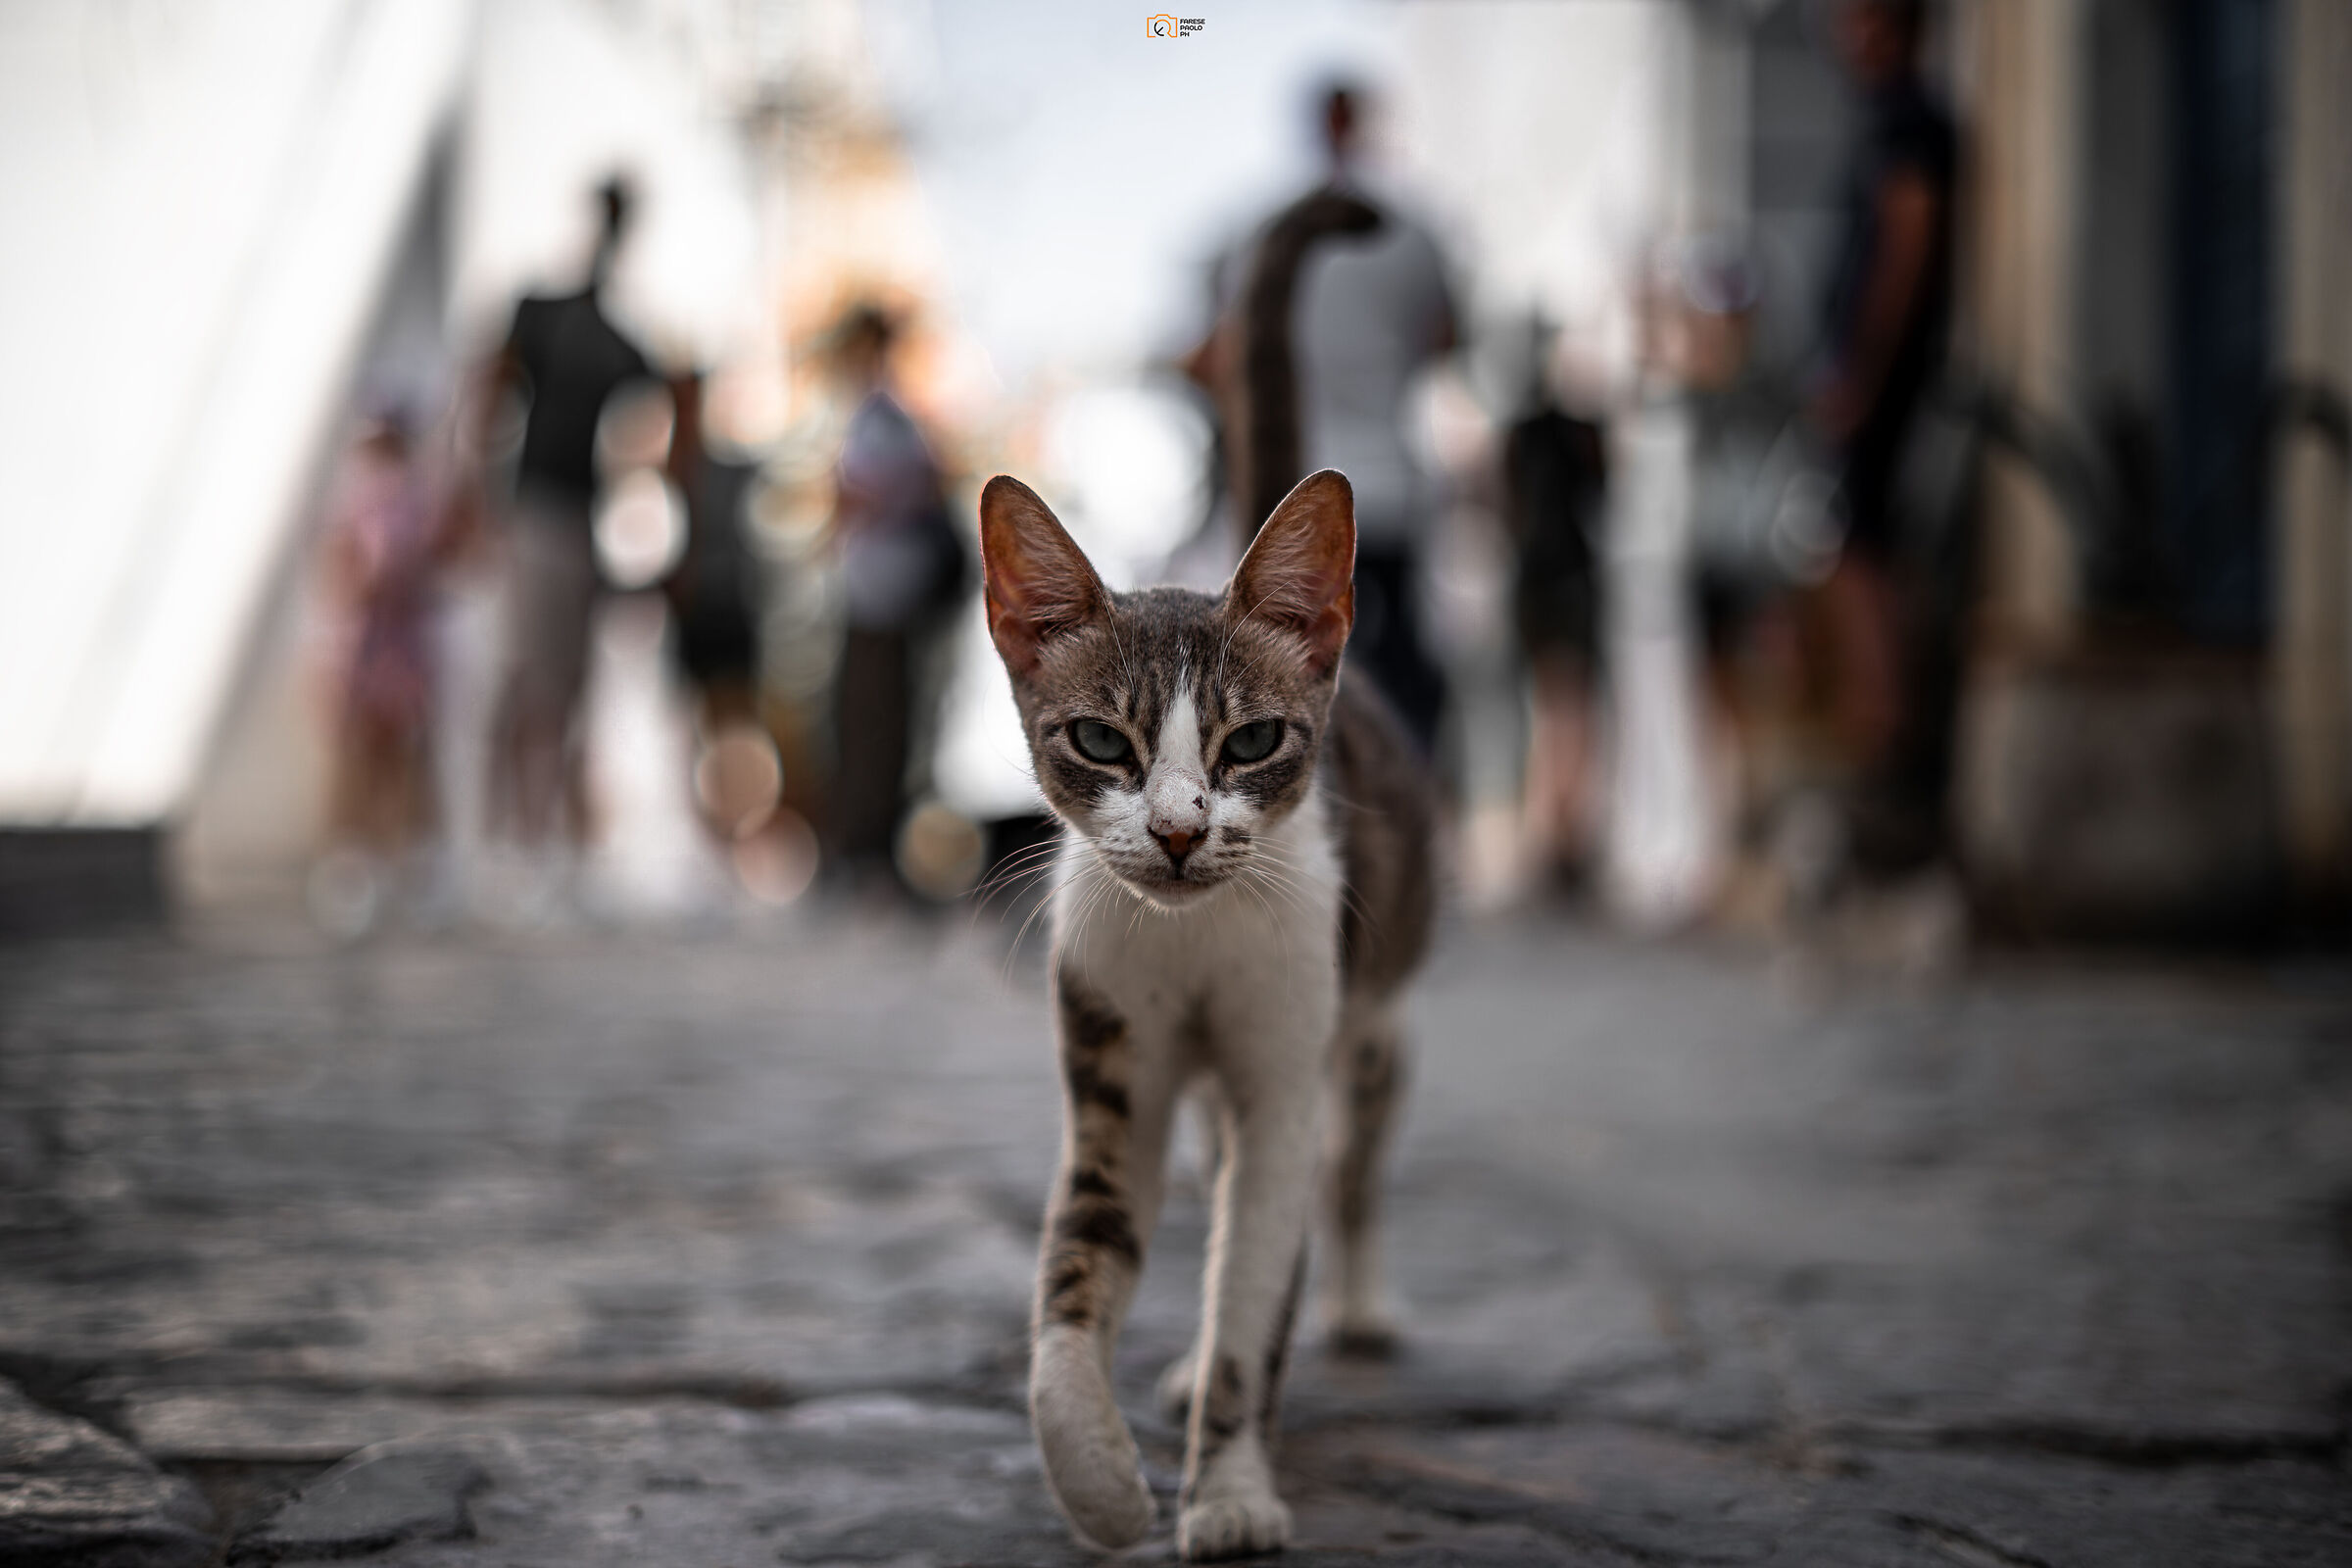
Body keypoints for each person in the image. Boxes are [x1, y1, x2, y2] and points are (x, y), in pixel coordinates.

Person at [1197, 82, 1459, 757]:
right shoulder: (1415, 231)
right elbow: (1448, 336)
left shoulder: (1254, 231)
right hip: (1389, 484)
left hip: (1281, 496)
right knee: (1395, 680)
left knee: (1276, 679)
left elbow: (1216, 356)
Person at [477, 176, 657, 858]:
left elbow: (667, 408)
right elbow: (489, 390)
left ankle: (550, 841)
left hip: (582, 523)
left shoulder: (620, 339)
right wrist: (474, 497)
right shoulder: (542, 313)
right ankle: (508, 837)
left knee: (571, 685)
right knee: (527, 679)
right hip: (534, 513)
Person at [1809, 0, 1956, 811]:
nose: (1848, 36)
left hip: (1889, 388)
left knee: (1864, 556)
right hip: (1873, 384)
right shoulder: (1879, 122)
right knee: (1856, 554)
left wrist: (1863, 373)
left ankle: (1890, 737)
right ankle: (1881, 733)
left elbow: (1907, 248)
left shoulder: (1910, 124)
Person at [822, 304, 966, 892]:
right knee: (873, 724)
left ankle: (869, 854)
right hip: (880, 590)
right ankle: (866, 851)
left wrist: (860, 502)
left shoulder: (885, 416)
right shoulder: (886, 415)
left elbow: (872, 490)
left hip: (885, 595)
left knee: (873, 726)